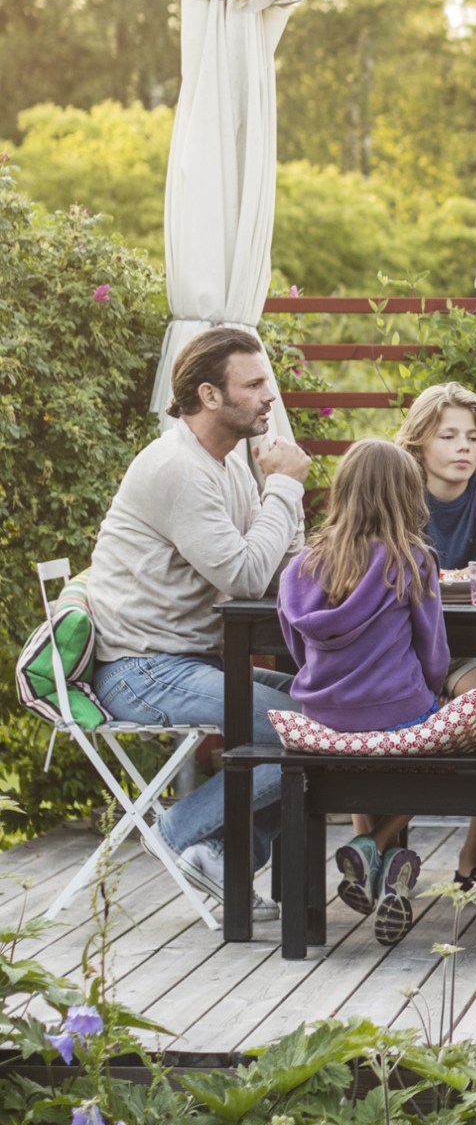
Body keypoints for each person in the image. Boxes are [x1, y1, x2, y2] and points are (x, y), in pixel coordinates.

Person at [86, 328, 309, 919]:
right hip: (141, 669)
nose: (271, 396)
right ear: (210, 395)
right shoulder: (178, 468)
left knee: (334, 707)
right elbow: (242, 576)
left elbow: (279, 570)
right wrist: (285, 487)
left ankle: (220, 853)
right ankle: (180, 830)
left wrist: (281, 499)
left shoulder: (232, 464)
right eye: (255, 384)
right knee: (310, 729)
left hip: (194, 661)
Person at [278, 439, 449, 947]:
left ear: (343, 492)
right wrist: (431, 696)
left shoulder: (301, 566)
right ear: (407, 496)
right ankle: (376, 844)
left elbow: (294, 644)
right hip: (397, 713)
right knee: (455, 756)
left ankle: (370, 854)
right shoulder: (412, 560)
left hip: (322, 718)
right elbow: (433, 652)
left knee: (357, 752)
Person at [395, 382, 476, 902]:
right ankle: (372, 848)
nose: (463, 447)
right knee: (376, 711)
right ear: (420, 441)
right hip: (398, 646)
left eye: (470, 436)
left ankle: (472, 861)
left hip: (469, 643)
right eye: (447, 436)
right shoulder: (396, 494)